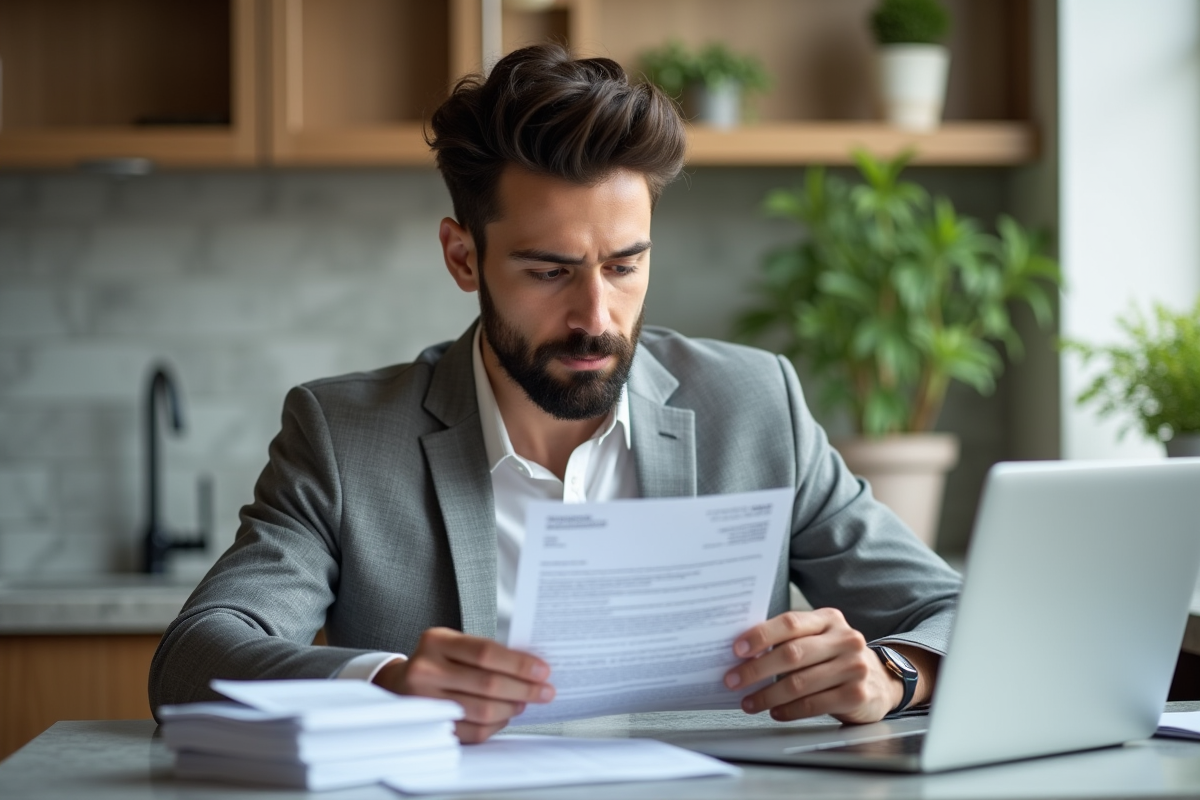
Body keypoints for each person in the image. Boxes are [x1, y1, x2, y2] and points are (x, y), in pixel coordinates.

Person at [149, 44, 961, 744]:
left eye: (624, 265)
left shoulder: (753, 405)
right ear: (463, 257)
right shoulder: (346, 435)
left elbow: (959, 611)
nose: (595, 318)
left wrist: (894, 672)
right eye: (549, 272)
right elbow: (195, 658)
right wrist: (386, 682)